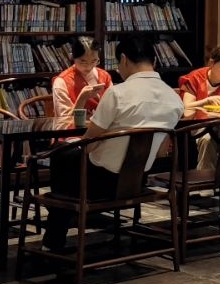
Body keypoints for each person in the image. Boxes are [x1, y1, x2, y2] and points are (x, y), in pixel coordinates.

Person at [42, 35, 184, 254]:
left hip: (99, 180)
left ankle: (55, 236)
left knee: (61, 155)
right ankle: (63, 226)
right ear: (154, 61)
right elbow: (162, 150)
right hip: (138, 179)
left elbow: (88, 144)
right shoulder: (174, 99)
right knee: (67, 160)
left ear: (124, 59)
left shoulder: (118, 94)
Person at [51, 38, 111, 127]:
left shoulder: (104, 76)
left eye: (94, 61)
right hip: (74, 132)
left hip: (101, 130)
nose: (89, 67)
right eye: (83, 62)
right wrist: (82, 99)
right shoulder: (62, 81)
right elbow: (64, 123)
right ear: (72, 57)